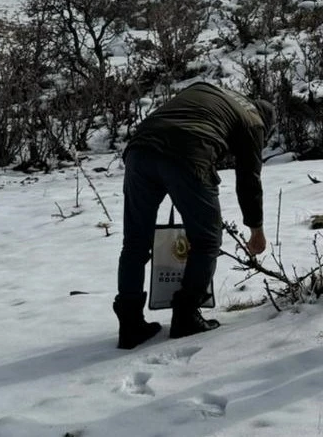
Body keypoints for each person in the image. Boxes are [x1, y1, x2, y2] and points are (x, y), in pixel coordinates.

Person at [113, 82, 275, 348]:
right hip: (189, 151)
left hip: (140, 149)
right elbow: (248, 179)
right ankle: (186, 315)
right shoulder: (254, 121)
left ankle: (130, 324)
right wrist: (256, 229)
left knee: (135, 242)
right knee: (207, 240)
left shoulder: (211, 89)